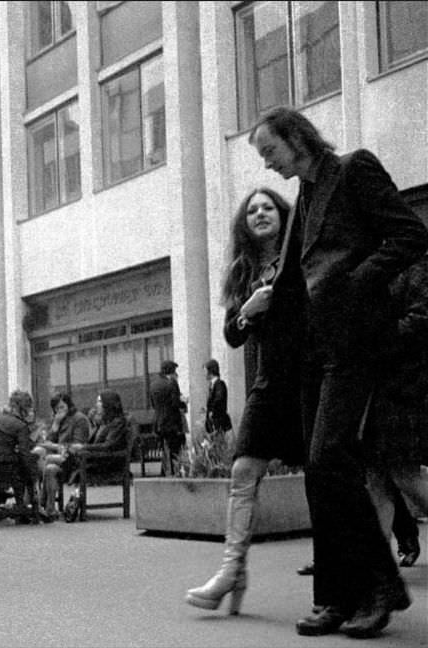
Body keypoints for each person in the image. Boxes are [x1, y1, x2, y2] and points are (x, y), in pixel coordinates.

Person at [249, 106, 428, 638]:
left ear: (295, 137)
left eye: (269, 151)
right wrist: (247, 321)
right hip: (314, 349)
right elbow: (292, 283)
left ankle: (381, 588)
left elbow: (411, 237)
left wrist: (355, 283)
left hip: (355, 342)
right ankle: (335, 595)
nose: (267, 164)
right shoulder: (306, 193)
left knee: (331, 458)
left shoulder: (354, 170)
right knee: (319, 471)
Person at [185, 187, 305, 615]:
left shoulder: (302, 255)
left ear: (282, 214)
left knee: (337, 478)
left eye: (267, 207)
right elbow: (232, 336)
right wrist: (248, 310)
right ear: (244, 223)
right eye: (252, 210)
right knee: (242, 471)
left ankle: (346, 576)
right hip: (267, 386)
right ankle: (232, 570)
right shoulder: (244, 272)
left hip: (309, 383)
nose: (259, 214)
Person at [363, 254, 428, 562]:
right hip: (376, 385)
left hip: (403, 384)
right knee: (377, 477)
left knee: (403, 473)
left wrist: (377, 340)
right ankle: (377, 568)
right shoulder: (374, 262)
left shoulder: (413, 265)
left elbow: (420, 319)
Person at [65, 390, 131, 521]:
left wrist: (84, 447)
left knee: (63, 464)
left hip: (108, 463)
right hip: (97, 460)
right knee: (61, 462)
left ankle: (61, 505)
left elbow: (108, 446)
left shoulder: (118, 422)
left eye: (100, 401)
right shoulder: (104, 422)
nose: (97, 404)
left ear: (109, 403)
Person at [0, 390, 40, 523]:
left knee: (16, 465)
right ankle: (23, 509)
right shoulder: (21, 425)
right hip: (6, 471)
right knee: (26, 467)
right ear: (23, 408)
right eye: (28, 408)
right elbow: (24, 453)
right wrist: (34, 472)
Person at [38, 392, 91, 521]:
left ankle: (40, 504)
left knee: (45, 460)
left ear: (68, 404)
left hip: (74, 461)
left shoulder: (79, 419)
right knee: (48, 466)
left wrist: (55, 447)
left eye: (62, 407)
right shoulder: (59, 419)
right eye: (56, 408)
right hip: (61, 460)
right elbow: (48, 441)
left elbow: (77, 445)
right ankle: (49, 509)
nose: (59, 410)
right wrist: (55, 425)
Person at [149, 360, 186, 475]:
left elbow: (153, 404)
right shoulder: (172, 383)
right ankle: (175, 472)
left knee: (164, 450)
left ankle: (164, 472)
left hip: (159, 423)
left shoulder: (153, 385)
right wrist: (184, 403)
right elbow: (175, 403)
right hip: (172, 423)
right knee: (176, 449)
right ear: (171, 371)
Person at [203, 359, 232, 437]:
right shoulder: (212, 385)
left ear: (210, 371)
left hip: (218, 423)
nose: (204, 374)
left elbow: (219, 400)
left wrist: (212, 411)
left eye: (205, 371)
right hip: (213, 423)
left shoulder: (219, 384)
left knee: (218, 444)